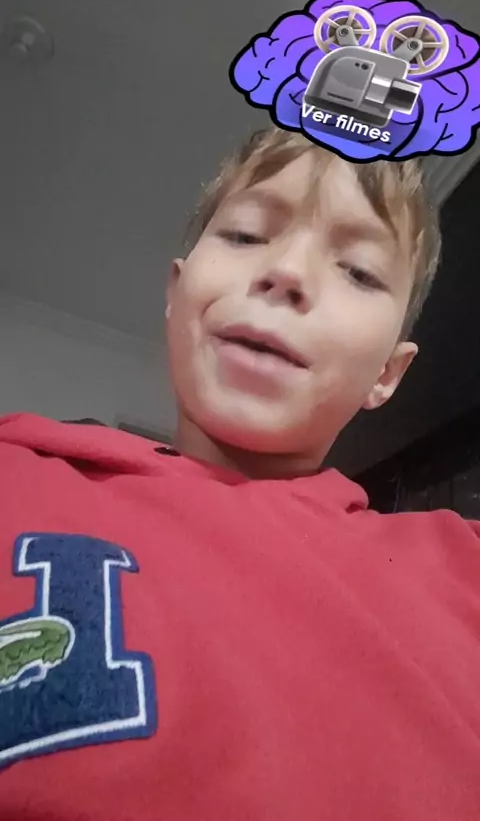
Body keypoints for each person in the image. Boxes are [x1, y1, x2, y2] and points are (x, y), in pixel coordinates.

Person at [0, 126, 479, 821]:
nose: (287, 272)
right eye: (247, 235)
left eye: (358, 272)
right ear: (176, 291)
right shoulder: (17, 476)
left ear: (387, 373)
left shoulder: (462, 570)